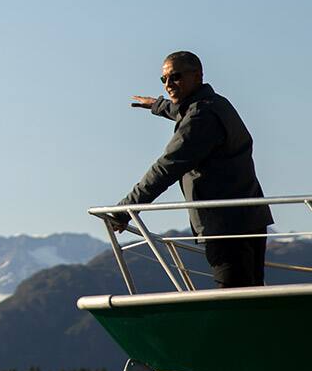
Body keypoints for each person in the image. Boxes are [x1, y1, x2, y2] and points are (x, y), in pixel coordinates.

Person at [111, 51, 272, 288]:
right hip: (249, 217)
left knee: (234, 299)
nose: (168, 84)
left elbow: (168, 166)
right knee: (252, 294)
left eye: (175, 77)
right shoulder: (215, 104)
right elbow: (184, 110)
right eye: (164, 79)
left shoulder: (201, 117)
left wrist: (126, 208)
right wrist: (157, 105)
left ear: (197, 76)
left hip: (225, 225)